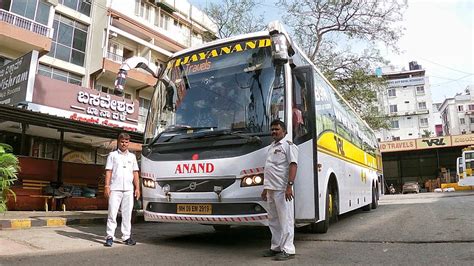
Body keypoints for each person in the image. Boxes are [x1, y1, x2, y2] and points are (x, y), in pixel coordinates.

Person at [261, 119, 298, 261]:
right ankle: (276, 247)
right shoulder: (271, 146)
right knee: (273, 220)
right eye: (272, 129)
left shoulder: (288, 146)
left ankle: (288, 249)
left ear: (284, 131)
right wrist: (265, 189)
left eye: (277, 129)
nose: (274, 132)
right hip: (271, 189)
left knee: (286, 220)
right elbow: (269, 169)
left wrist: (289, 186)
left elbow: (293, 165)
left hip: (282, 189)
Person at [104, 133, 140, 247]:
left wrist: (137, 188)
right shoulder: (112, 155)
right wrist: (106, 186)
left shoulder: (132, 157)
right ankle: (110, 236)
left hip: (129, 189)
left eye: (126, 142)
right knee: (112, 213)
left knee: (127, 214)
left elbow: (135, 173)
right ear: (118, 142)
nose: (124, 144)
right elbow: (108, 171)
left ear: (128, 143)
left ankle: (126, 237)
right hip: (115, 188)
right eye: (122, 141)